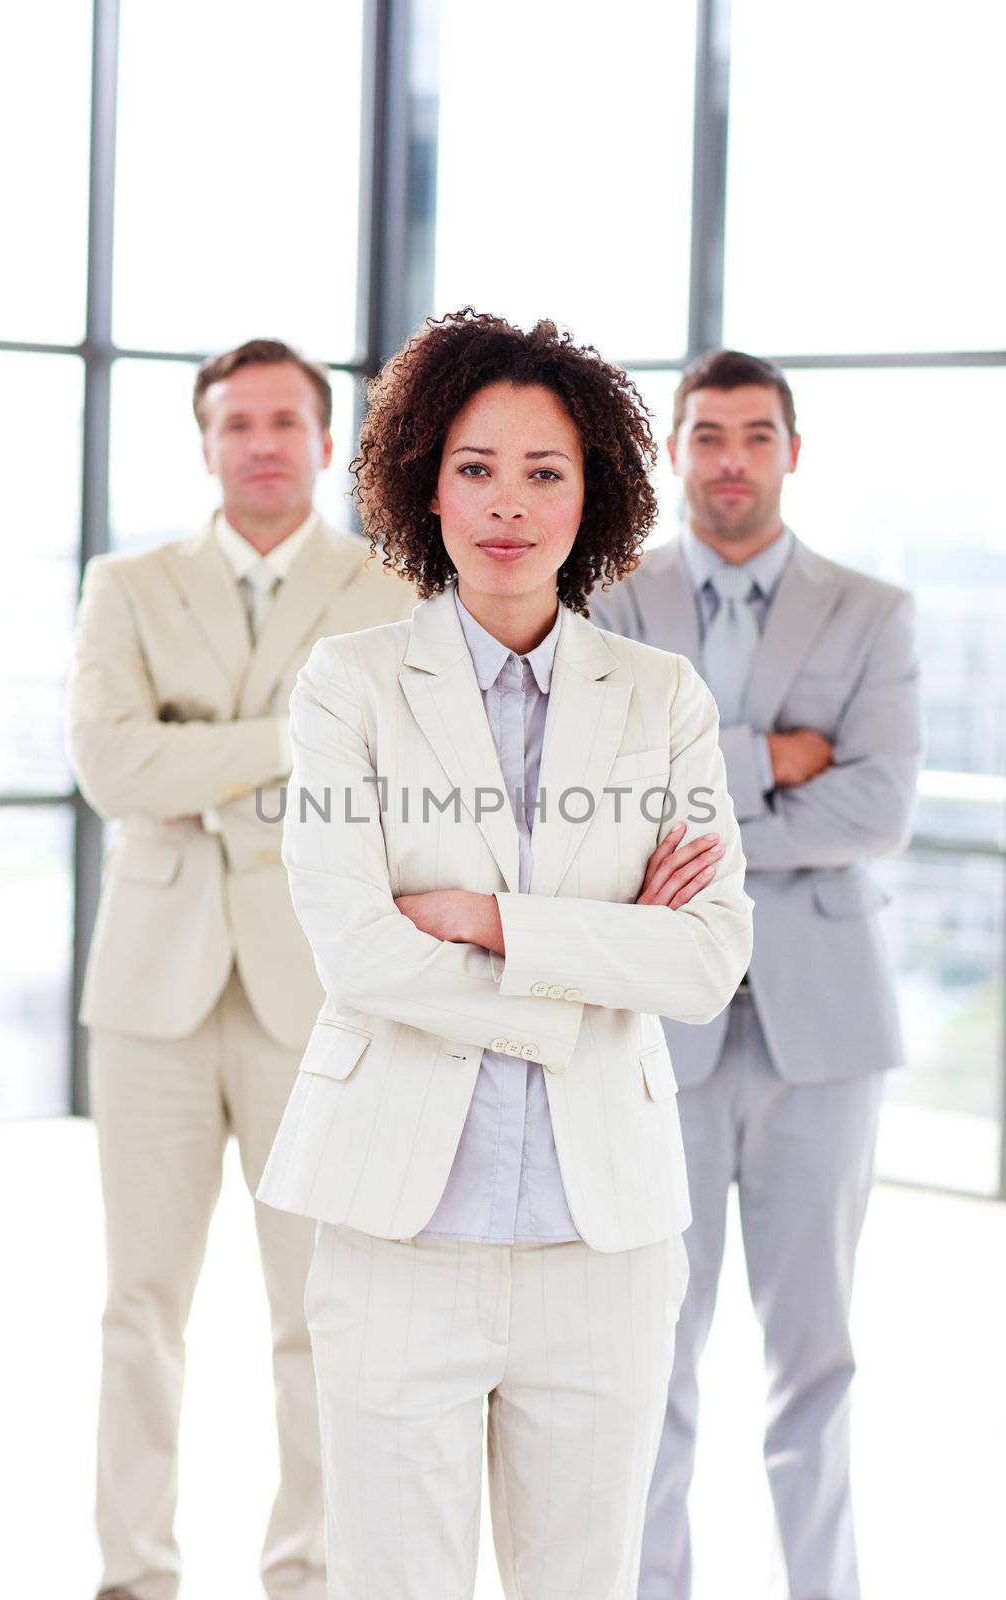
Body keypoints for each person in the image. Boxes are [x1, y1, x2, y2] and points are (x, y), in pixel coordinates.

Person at [256, 310, 754, 1600]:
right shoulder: (347, 685)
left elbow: (702, 965)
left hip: (606, 1241)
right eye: (475, 467)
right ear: (425, 480)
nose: (508, 505)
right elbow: (358, 953)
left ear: (595, 495)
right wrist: (599, 959)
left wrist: (496, 921)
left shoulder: (661, 700)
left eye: (546, 471)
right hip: (397, 1229)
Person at [67, 337, 416, 1600]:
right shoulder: (128, 583)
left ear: (327, 443)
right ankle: (134, 1574)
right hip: (152, 990)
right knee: (139, 1309)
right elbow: (112, 769)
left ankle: (309, 1573)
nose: (262, 442)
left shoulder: (387, 590)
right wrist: (291, 742)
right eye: (237, 424)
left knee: (317, 1312)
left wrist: (195, 753)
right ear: (206, 442)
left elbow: (390, 773)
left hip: (317, 988)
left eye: (285, 421)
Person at [590, 349, 923, 1600]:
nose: (730, 458)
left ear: (791, 451)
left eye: (755, 435)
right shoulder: (615, 603)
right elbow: (607, 800)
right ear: (675, 451)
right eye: (707, 435)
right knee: (648, 1356)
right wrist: (777, 760)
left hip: (823, 1035)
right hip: (657, 1026)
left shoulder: (869, 610)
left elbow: (878, 802)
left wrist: (708, 819)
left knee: (815, 1360)